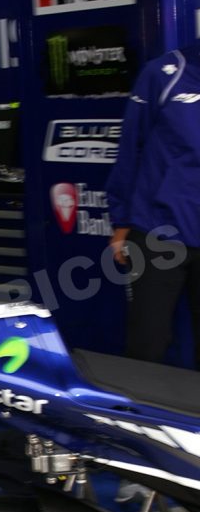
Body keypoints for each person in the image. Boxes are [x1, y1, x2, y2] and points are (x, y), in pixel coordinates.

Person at [106, 38, 200, 368]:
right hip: (157, 232)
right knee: (148, 343)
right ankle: (135, 419)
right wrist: (121, 223)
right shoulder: (163, 73)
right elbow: (130, 149)